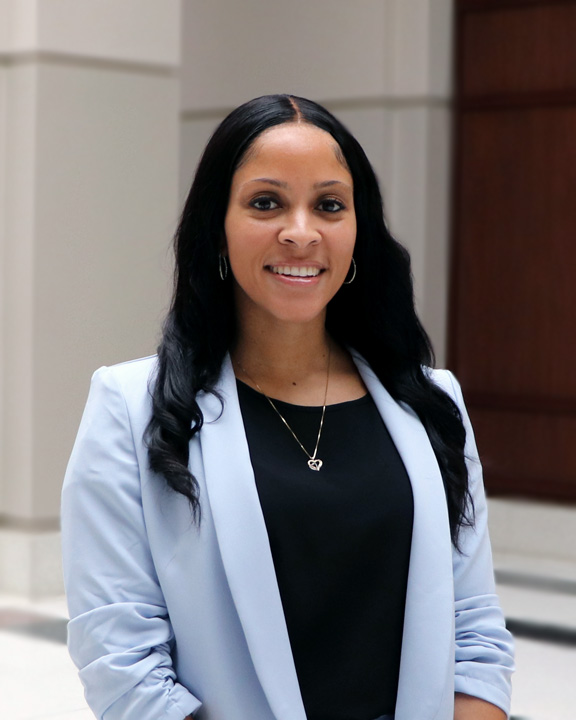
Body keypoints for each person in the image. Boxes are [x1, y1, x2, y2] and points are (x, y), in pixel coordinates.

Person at [61, 94, 514, 720]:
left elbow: (476, 633)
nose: (300, 232)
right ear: (217, 223)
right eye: (266, 202)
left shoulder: (432, 403)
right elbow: (121, 661)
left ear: (359, 230)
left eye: (329, 205)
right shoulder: (130, 410)